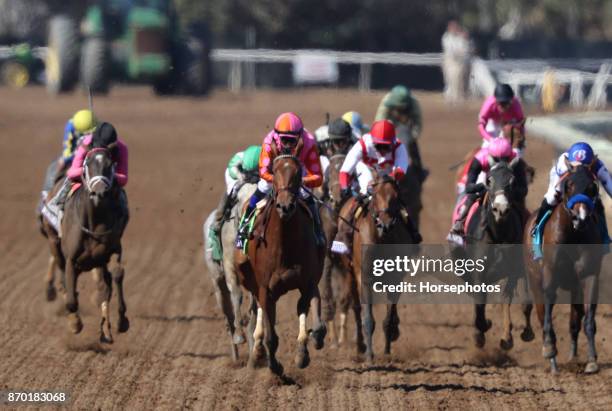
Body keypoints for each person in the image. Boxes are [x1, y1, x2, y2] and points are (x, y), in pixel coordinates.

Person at [235, 112, 325, 249]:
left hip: (297, 171)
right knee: (263, 187)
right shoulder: (268, 142)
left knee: (306, 194)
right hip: (275, 171)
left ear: (300, 137)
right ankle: (243, 228)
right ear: (277, 137)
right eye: (285, 140)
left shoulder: (309, 143)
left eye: (292, 141)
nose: (288, 145)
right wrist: (279, 181)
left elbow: (318, 177)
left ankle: (317, 231)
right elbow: (263, 172)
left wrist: (301, 181)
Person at [330, 120, 420, 255]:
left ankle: (412, 233)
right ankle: (343, 234)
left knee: (395, 200)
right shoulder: (362, 144)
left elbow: (401, 171)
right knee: (366, 194)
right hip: (366, 169)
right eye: (379, 146)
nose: (382, 150)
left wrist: (383, 181)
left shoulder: (399, 147)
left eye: (386, 147)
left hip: (389, 174)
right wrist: (344, 187)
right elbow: (345, 171)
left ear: (393, 142)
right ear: (372, 141)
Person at [43, 122, 128, 231]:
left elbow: (123, 179)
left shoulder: (122, 148)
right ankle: (56, 204)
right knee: (69, 181)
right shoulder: (86, 143)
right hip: (87, 175)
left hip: (108, 179)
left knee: (123, 203)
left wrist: (108, 175)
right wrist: (90, 172)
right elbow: (72, 172)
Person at [448, 138, 527, 240]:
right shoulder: (480, 158)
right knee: (470, 198)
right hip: (486, 181)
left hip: (506, 187)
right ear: (490, 156)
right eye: (497, 159)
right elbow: (468, 187)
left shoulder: (516, 160)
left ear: (510, 155)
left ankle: (530, 232)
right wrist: (482, 187)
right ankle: (459, 224)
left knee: (523, 208)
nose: (501, 163)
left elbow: (523, 189)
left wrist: (508, 192)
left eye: (505, 159)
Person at [531, 142, 612, 241]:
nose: (579, 169)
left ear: (591, 163)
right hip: (562, 179)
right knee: (552, 198)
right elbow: (557, 187)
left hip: (586, 187)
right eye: (575, 166)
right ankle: (537, 226)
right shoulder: (563, 164)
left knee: (598, 203)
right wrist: (559, 193)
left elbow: (609, 184)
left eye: (583, 166)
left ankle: (604, 236)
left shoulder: (598, 166)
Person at [375, 85, 427, 182]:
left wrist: (411, 138)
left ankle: (419, 172)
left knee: (413, 148)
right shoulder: (386, 102)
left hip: (406, 128)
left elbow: (418, 124)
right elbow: (379, 122)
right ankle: (375, 170)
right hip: (389, 126)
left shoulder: (414, 104)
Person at [209, 145, 262, 239]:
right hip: (236, 175)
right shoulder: (238, 159)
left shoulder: (266, 159)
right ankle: (219, 216)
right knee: (232, 190)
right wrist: (240, 176)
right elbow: (233, 171)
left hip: (255, 174)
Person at [42, 109, 98, 196]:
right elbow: (67, 148)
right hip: (74, 154)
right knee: (55, 167)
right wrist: (71, 156)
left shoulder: (94, 123)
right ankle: (47, 193)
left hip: (93, 154)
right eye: (86, 133)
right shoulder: (70, 126)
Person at [478, 83, 525, 154]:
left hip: (510, 123)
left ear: (511, 100)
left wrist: (520, 137)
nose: (504, 106)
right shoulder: (489, 104)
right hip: (494, 122)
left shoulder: (516, 105)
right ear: (496, 101)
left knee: (517, 151)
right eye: (501, 103)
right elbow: (481, 126)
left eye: (507, 103)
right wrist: (490, 139)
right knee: (485, 148)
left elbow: (521, 123)